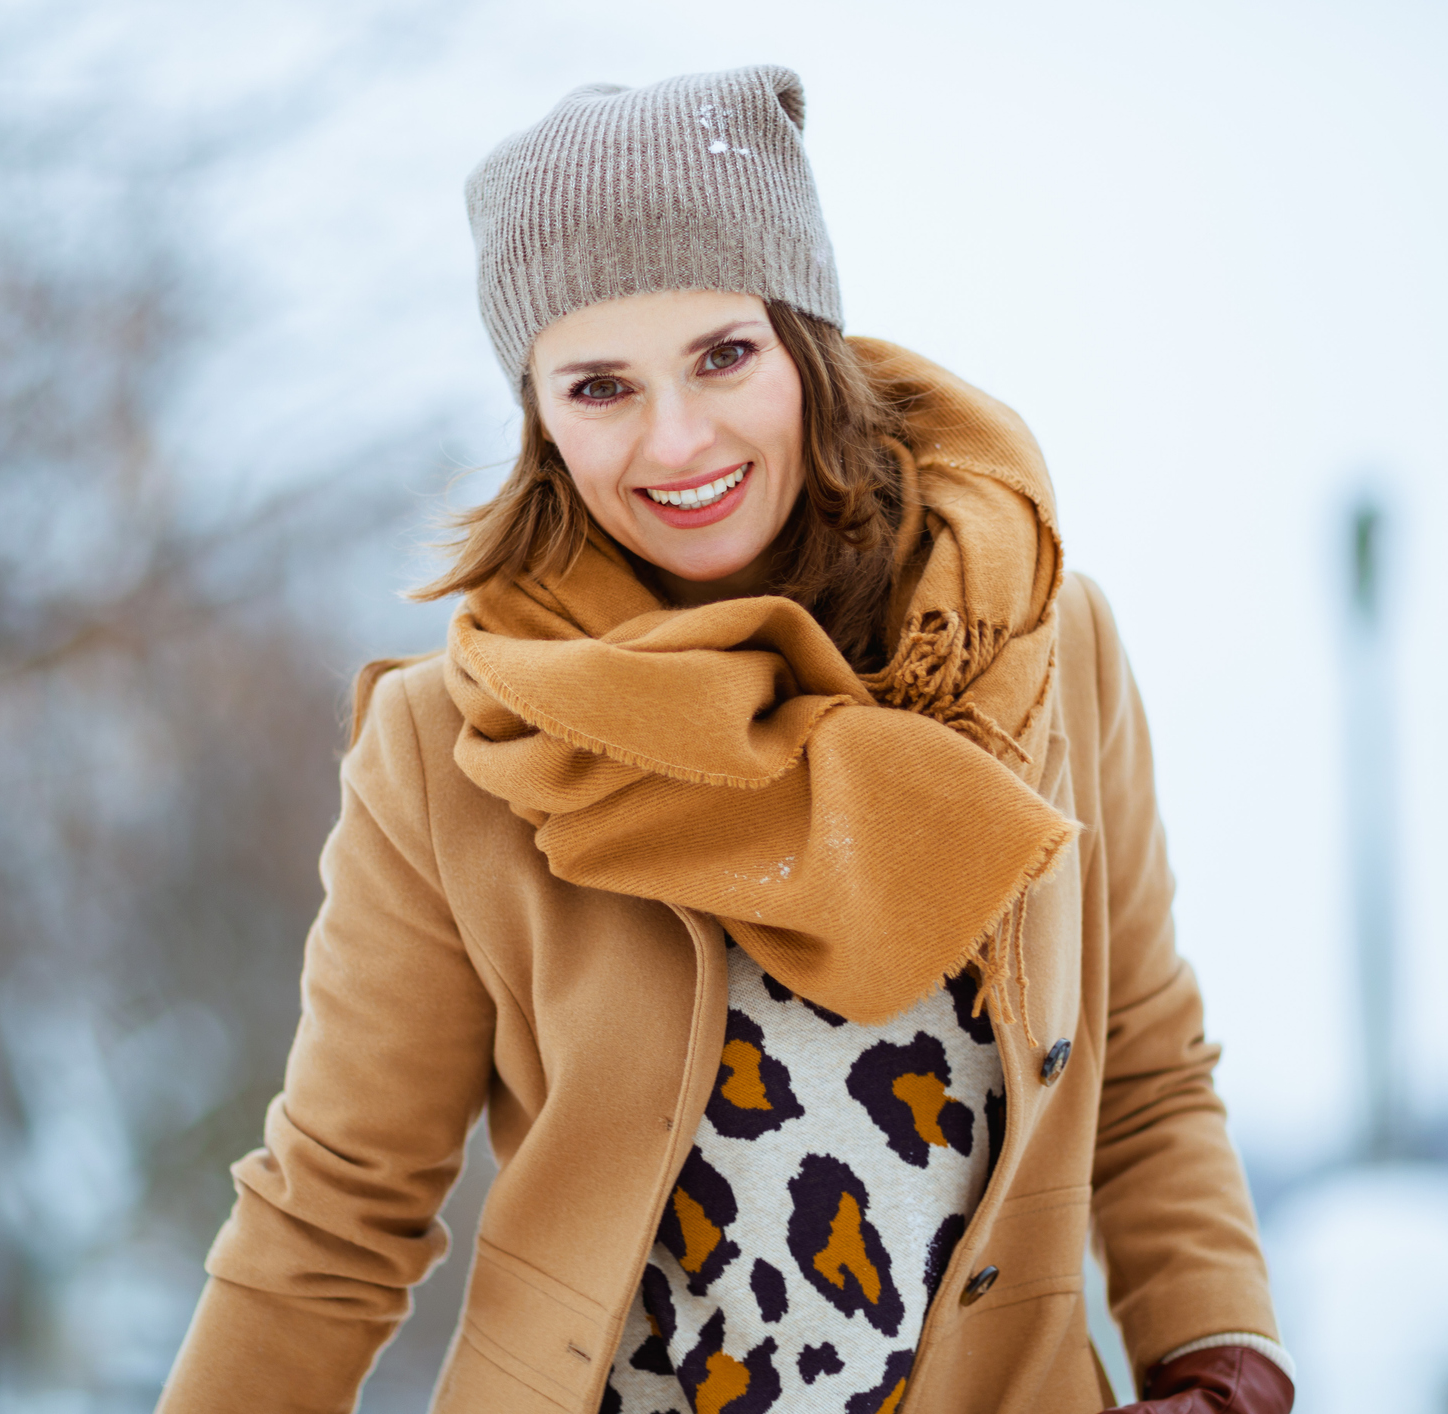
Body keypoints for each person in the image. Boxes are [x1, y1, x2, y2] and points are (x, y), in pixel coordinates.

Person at [158, 65, 1294, 1414]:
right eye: (599, 386)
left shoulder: (1043, 645)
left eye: (721, 354)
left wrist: (1218, 1350)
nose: (676, 436)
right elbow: (336, 1208)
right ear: (538, 414)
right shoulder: (452, 745)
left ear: (802, 336)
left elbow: (1143, 1062)